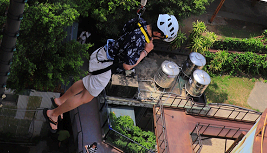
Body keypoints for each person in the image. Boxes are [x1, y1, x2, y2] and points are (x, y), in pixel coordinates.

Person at [44, 14, 179, 132]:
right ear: (158, 33)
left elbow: (125, 28)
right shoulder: (139, 41)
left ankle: (60, 100)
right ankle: (53, 114)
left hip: (103, 53)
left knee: (86, 83)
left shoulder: (140, 22)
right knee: (84, 98)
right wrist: (145, 51)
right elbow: (127, 65)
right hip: (106, 66)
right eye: (162, 37)